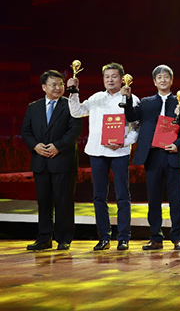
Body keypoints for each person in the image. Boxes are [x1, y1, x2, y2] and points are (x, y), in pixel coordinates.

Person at [66, 62, 139, 252]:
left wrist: (124, 142)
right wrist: (73, 92)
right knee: (99, 196)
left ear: (122, 79)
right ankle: (104, 237)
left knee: (122, 196)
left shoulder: (131, 98)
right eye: (107, 77)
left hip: (119, 152)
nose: (110, 80)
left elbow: (137, 126)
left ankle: (123, 238)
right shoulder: (96, 97)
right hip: (97, 152)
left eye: (114, 76)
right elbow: (77, 112)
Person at [123, 67, 180, 251]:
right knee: (153, 199)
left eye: (166, 77)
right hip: (152, 156)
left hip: (173, 155)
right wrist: (127, 98)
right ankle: (155, 237)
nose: (162, 80)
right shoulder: (146, 102)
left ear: (172, 80)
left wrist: (178, 144)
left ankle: (177, 237)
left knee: (176, 199)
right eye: (159, 77)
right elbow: (131, 116)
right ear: (154, 81)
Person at [21, 71, 81, 253]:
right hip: (40, 161)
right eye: (53, 84)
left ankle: (64, 239)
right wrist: (35, 146)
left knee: (64, 201)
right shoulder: (33, 107)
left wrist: (58, 146)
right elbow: (26, 131)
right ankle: (44, 238)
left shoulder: (70, 105)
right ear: (43, 87)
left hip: (62, 160)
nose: (58, 87)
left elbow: (75, 130)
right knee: (44, 202)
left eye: (61, 84)